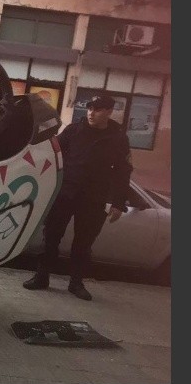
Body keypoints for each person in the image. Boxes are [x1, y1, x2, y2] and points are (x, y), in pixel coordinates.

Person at [23, 94, 133, 300]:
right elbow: (54, 156)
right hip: (66, 194)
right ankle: (42, 276)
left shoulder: (118, 139)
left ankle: (76, 283)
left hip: (93, 199)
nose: (91, 113)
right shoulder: (74, 131)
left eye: (98, 109)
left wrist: (118, 203)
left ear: (109, 112)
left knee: (83, 244)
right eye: (90, 108)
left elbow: (123, 171)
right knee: (51, 237)